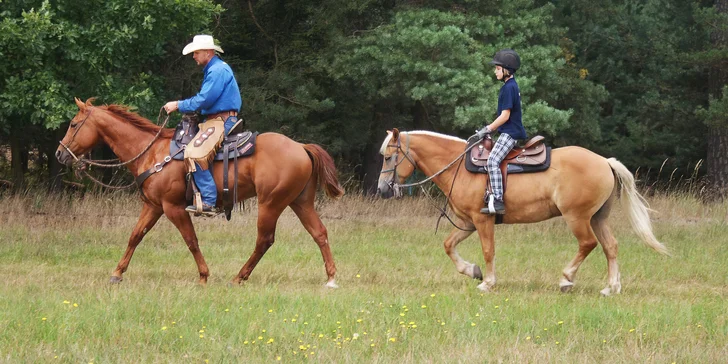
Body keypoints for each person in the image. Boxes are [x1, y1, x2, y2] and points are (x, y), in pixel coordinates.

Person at [163, 34, 242, 216]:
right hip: (215, 120)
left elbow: (204, 100)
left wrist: (178, 105)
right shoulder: (214, 69)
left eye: (196, 52)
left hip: (221, 121)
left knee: (194, 153)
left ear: (208, 52)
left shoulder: (217, 71)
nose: (193, 56)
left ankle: (208, 201)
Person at [473, 48, 527, 215]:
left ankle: (498, 200)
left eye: (497, 68)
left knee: (492, 161)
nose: (495, 71)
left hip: (511, 133)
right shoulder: (510, 85)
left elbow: (505, 116)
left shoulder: (508, 88)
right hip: (508, 131)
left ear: (506, 70)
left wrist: (487, 129)